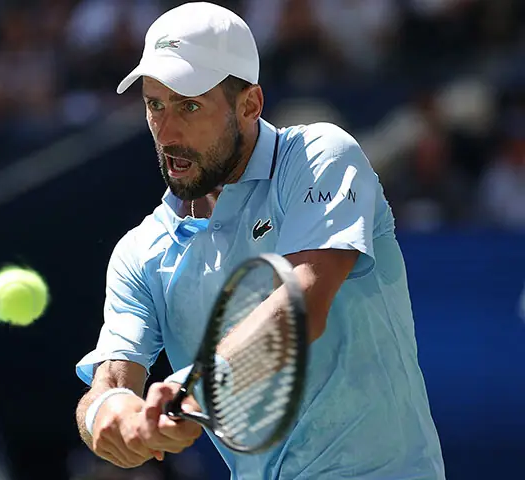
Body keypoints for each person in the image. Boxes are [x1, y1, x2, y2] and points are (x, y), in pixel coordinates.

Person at [74, 2, 446, 479]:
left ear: (249, 104)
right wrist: (111, 418)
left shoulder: (321, 156)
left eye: (189, 106)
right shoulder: (139, 254)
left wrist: (191, 394)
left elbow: (301, 306)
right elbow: (109, 382)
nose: (166, 132)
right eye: (155, 105)